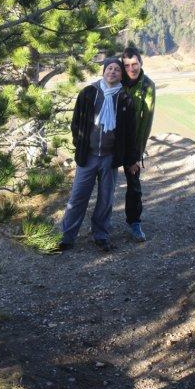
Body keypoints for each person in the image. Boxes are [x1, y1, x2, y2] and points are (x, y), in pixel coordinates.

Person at [59, 57, 139, 252]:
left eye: (117, 69)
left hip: (110, 158)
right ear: (103, 71)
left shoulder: (125, 98)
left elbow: (130, 132)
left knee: (106, 199)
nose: (112, 72)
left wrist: (131, 158)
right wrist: (80, 145)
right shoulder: (89, 93)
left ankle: (101, 235)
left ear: (121, 74)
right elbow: (76, 122)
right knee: (78, 197)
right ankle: (66, 237)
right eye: (109, 68)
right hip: (88, 156)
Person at [121, 47, 156, 242]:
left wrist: (137, 155)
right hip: (113, 141)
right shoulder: (117, 80)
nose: (131, 69)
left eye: (134, 64)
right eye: (126, 65)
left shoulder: (147, 86)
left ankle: (134, 223)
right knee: (104, 182)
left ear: (141, 63)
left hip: (132, 143)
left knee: (134, 185)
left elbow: (146, 122)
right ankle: (100, 223)